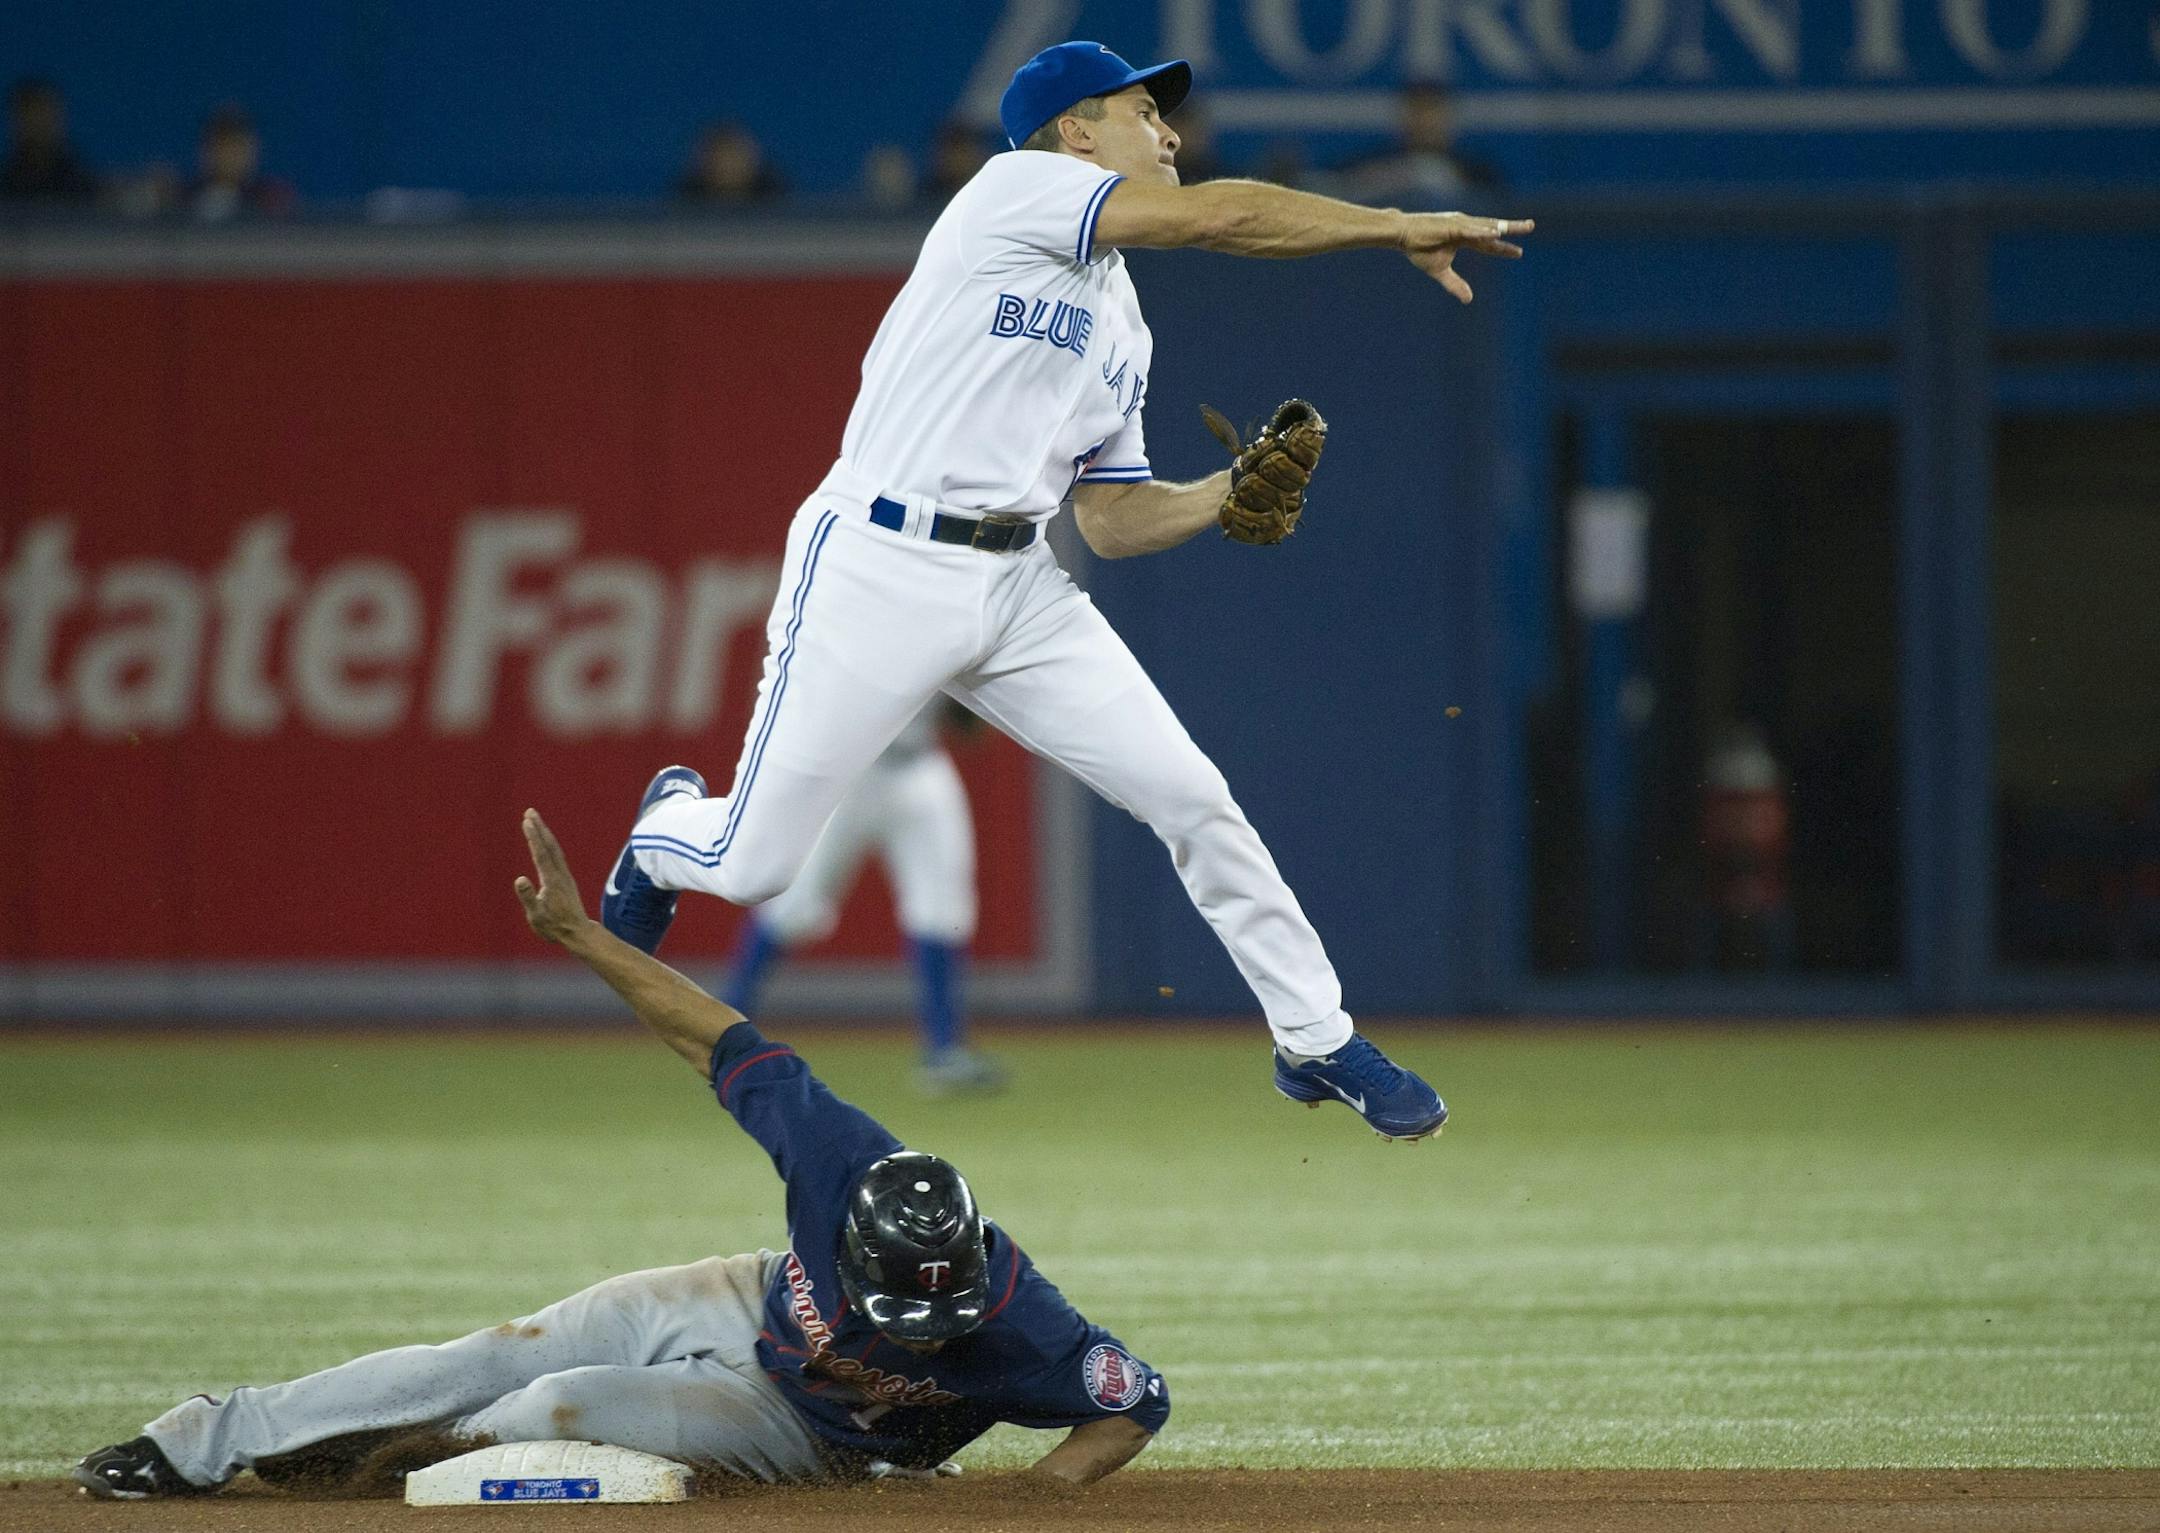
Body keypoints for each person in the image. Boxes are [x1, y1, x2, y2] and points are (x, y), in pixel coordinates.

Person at [601, 40, 1530, 1144]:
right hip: (882, 559)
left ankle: (1315, 1038)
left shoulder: (1125, 318)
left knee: (1192, 796)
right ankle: (666, 825)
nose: (1170, 133)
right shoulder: (1015, 193)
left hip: (1017, 584)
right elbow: (1224, 219)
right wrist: (1393, 225)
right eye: (1143, 111)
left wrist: (1223, 493)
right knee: (752, 861)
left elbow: (1109, 519)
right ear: (1075, 132)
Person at [71, 810, 1167, 1501]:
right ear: (857, 1245)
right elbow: (713, 1032)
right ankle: (201, 1441)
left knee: (548, 1408)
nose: (929, 1326)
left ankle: (369, 1466)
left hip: (797, 1428)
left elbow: (1132, 1403)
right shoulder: (839, 1157)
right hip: (740, 1300)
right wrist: (590, 939)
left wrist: (1041, 1491)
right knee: (491, 1355)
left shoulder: (1025, 1320)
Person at [725, 700, 1006, 1095]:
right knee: (793, 905)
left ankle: (943, 1053)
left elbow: (971, 728)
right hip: (849, 773)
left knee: (943, 910)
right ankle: (719, 1032)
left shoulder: (943, 636)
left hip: (919, 766)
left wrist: (964, 694)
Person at [1338, 82, 1501, 205]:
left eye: (1433, 112)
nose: (1425, 122)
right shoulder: (1368, 167)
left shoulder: (1478, 176)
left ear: (1449, 118)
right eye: (1418, 112)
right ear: (1403, 117)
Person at [182, 104, 295, 222]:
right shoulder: (184, 199)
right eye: (222, 145)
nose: (229, 155)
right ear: (205, 151)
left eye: (237, 146)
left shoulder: (271, 200)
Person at [2, 77, 99, 204]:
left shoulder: (81, 186)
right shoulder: (5, 184)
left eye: (43, 113)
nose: (36, 122)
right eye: (29, 112)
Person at [675, 120, 787, 206]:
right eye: (719, 157)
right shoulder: (684, 203)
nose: (727, 166)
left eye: (733, 155)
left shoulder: (777, 200)